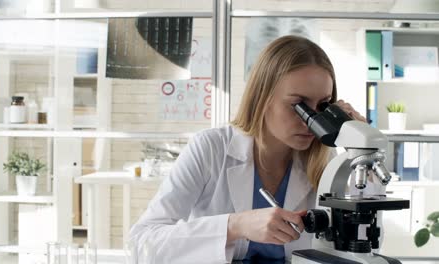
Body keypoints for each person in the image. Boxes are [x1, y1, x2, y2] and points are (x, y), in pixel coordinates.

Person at [129, 35, 367, 263]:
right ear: (263, 97)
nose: (310, 121)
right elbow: (143, 244)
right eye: (299, 106)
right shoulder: (211, 148)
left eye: (322, 106)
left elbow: (363, 242)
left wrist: (360, 152)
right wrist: (235, 226)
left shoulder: (326, 160)